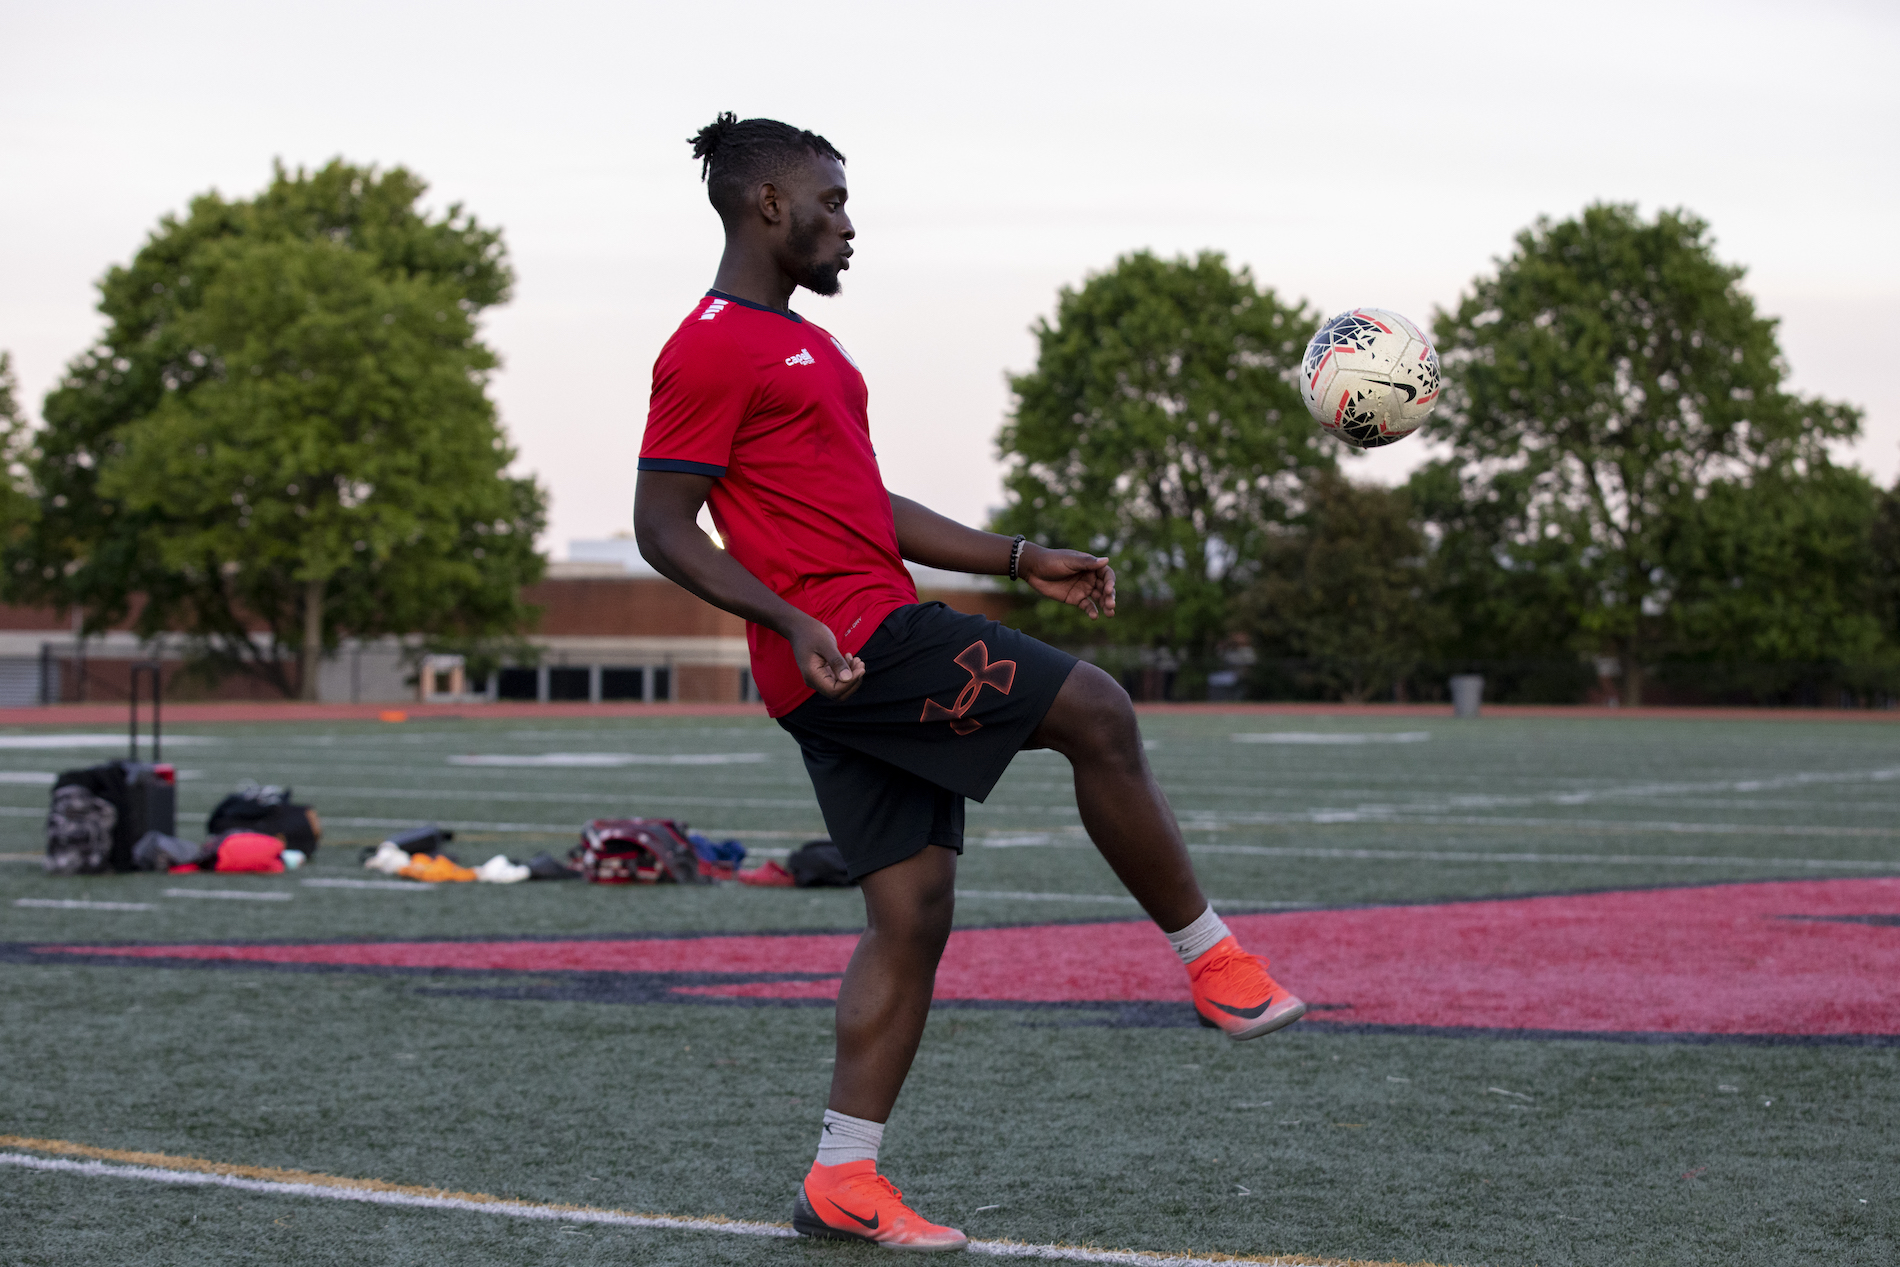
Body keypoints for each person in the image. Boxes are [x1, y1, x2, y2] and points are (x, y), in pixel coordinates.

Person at [634, 113, 1306, 1253]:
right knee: (1097, 708)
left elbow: (864, 509)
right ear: (767, 206)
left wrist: (1015, 555)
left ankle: (842, 1180)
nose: (848, 224)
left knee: (911, 914)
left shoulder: (812, 352)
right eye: (831, 201)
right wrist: (792, 616)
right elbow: (660, 527)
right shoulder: (707, 346)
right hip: (854, 641)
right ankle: (1214, 961)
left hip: (841, 657)